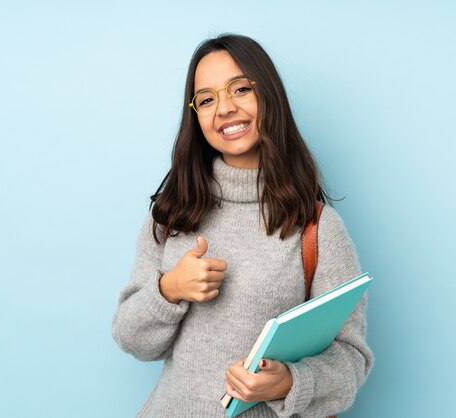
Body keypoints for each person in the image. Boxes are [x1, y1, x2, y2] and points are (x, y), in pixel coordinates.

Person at [111, 33, 373, 417]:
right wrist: (169, 290)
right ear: (196, 115)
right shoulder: (172, 213)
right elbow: (133, 340)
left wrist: (288, 382)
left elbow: (351, 359)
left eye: (240, 89)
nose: (225, 108)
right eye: (207, 99)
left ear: (268, 94)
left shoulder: (316, 229)